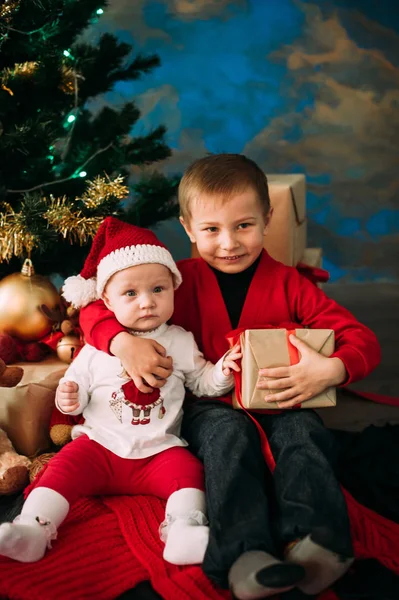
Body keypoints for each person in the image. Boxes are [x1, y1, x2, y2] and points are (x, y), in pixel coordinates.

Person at [78, 155, 380, 599]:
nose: (229, 243)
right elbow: (92, 309)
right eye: (211, 230)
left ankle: (317, 541)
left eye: (244, 226)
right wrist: (124, 342)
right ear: (186, 228)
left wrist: (332, 368)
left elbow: (361, 338)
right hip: (205, 405)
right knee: (228, 439)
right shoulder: (172, 284)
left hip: (282, 398)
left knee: (304, 435)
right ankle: (243, 553)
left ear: (267, 218)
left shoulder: (290, 283)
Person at [0, 217, 240, 566]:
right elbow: (77, 389)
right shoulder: (99, 348)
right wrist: (69, 397)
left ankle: (182, 531)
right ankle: (33, 529)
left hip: (157, 453)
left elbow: (201, 382)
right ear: (107, 303)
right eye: (131, 293)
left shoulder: (179, 340)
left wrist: (224, 371)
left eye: (159, 289)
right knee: (61, 469)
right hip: (99, 448)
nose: (147, 303)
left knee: (190, 474)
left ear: (174, 289)